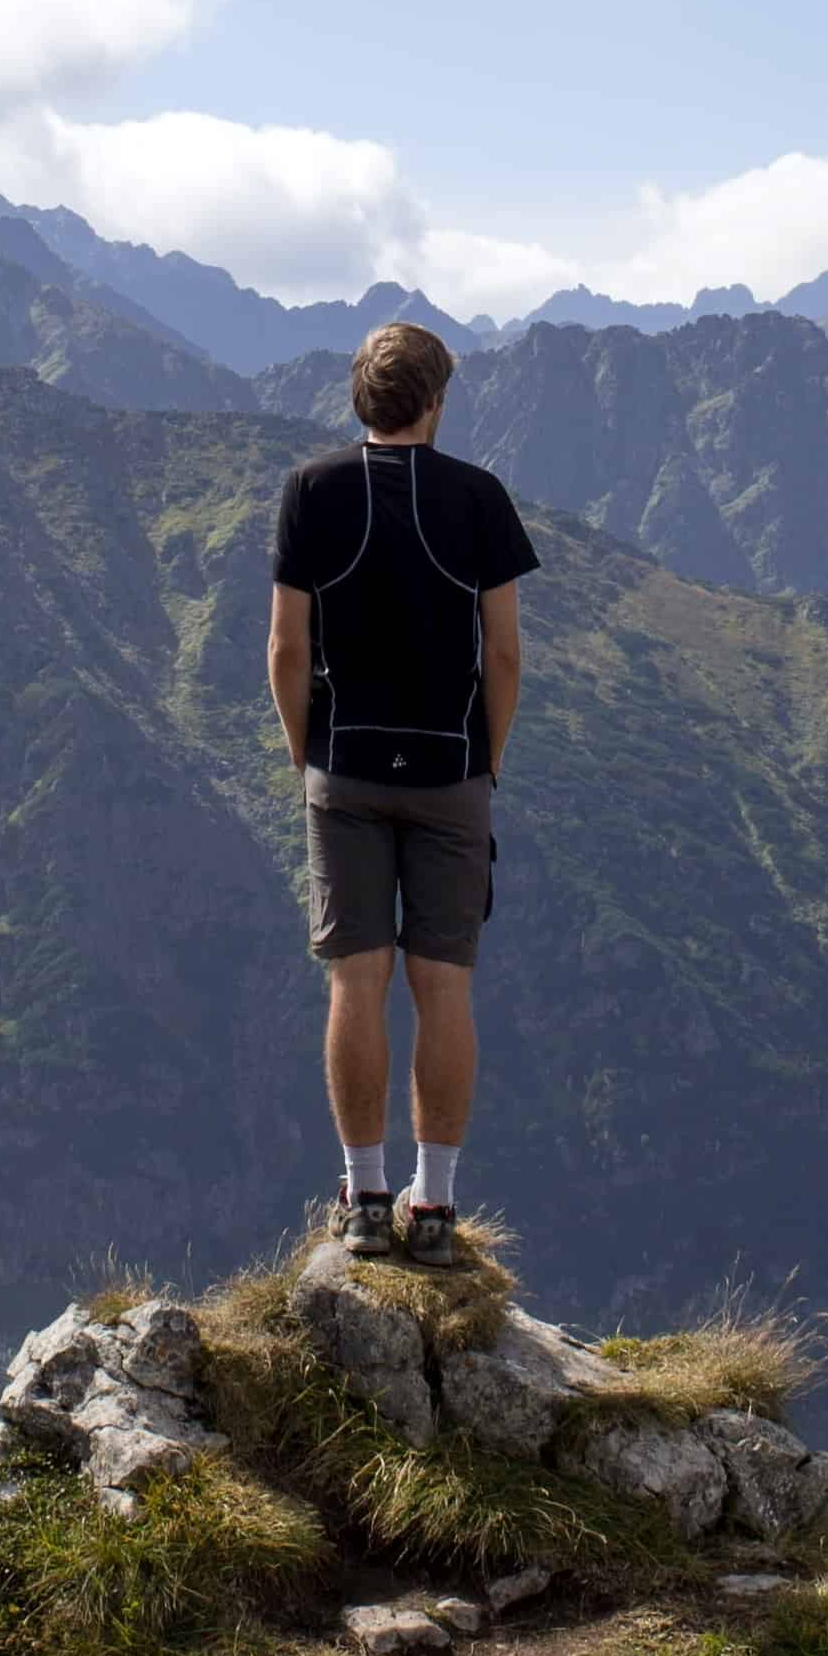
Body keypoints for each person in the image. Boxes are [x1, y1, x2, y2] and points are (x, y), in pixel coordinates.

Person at [265, 321, 536, 1269]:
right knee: (442, 983)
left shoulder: (311, 491)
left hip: (344, 765)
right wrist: (486, 760)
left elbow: (288, 648)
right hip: (451, 769)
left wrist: (311, 755)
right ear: (435, 400)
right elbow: (502, 652)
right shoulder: (479, 499)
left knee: (356, 978)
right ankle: (438, 1207)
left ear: (358, 399)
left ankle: (365, 1191)